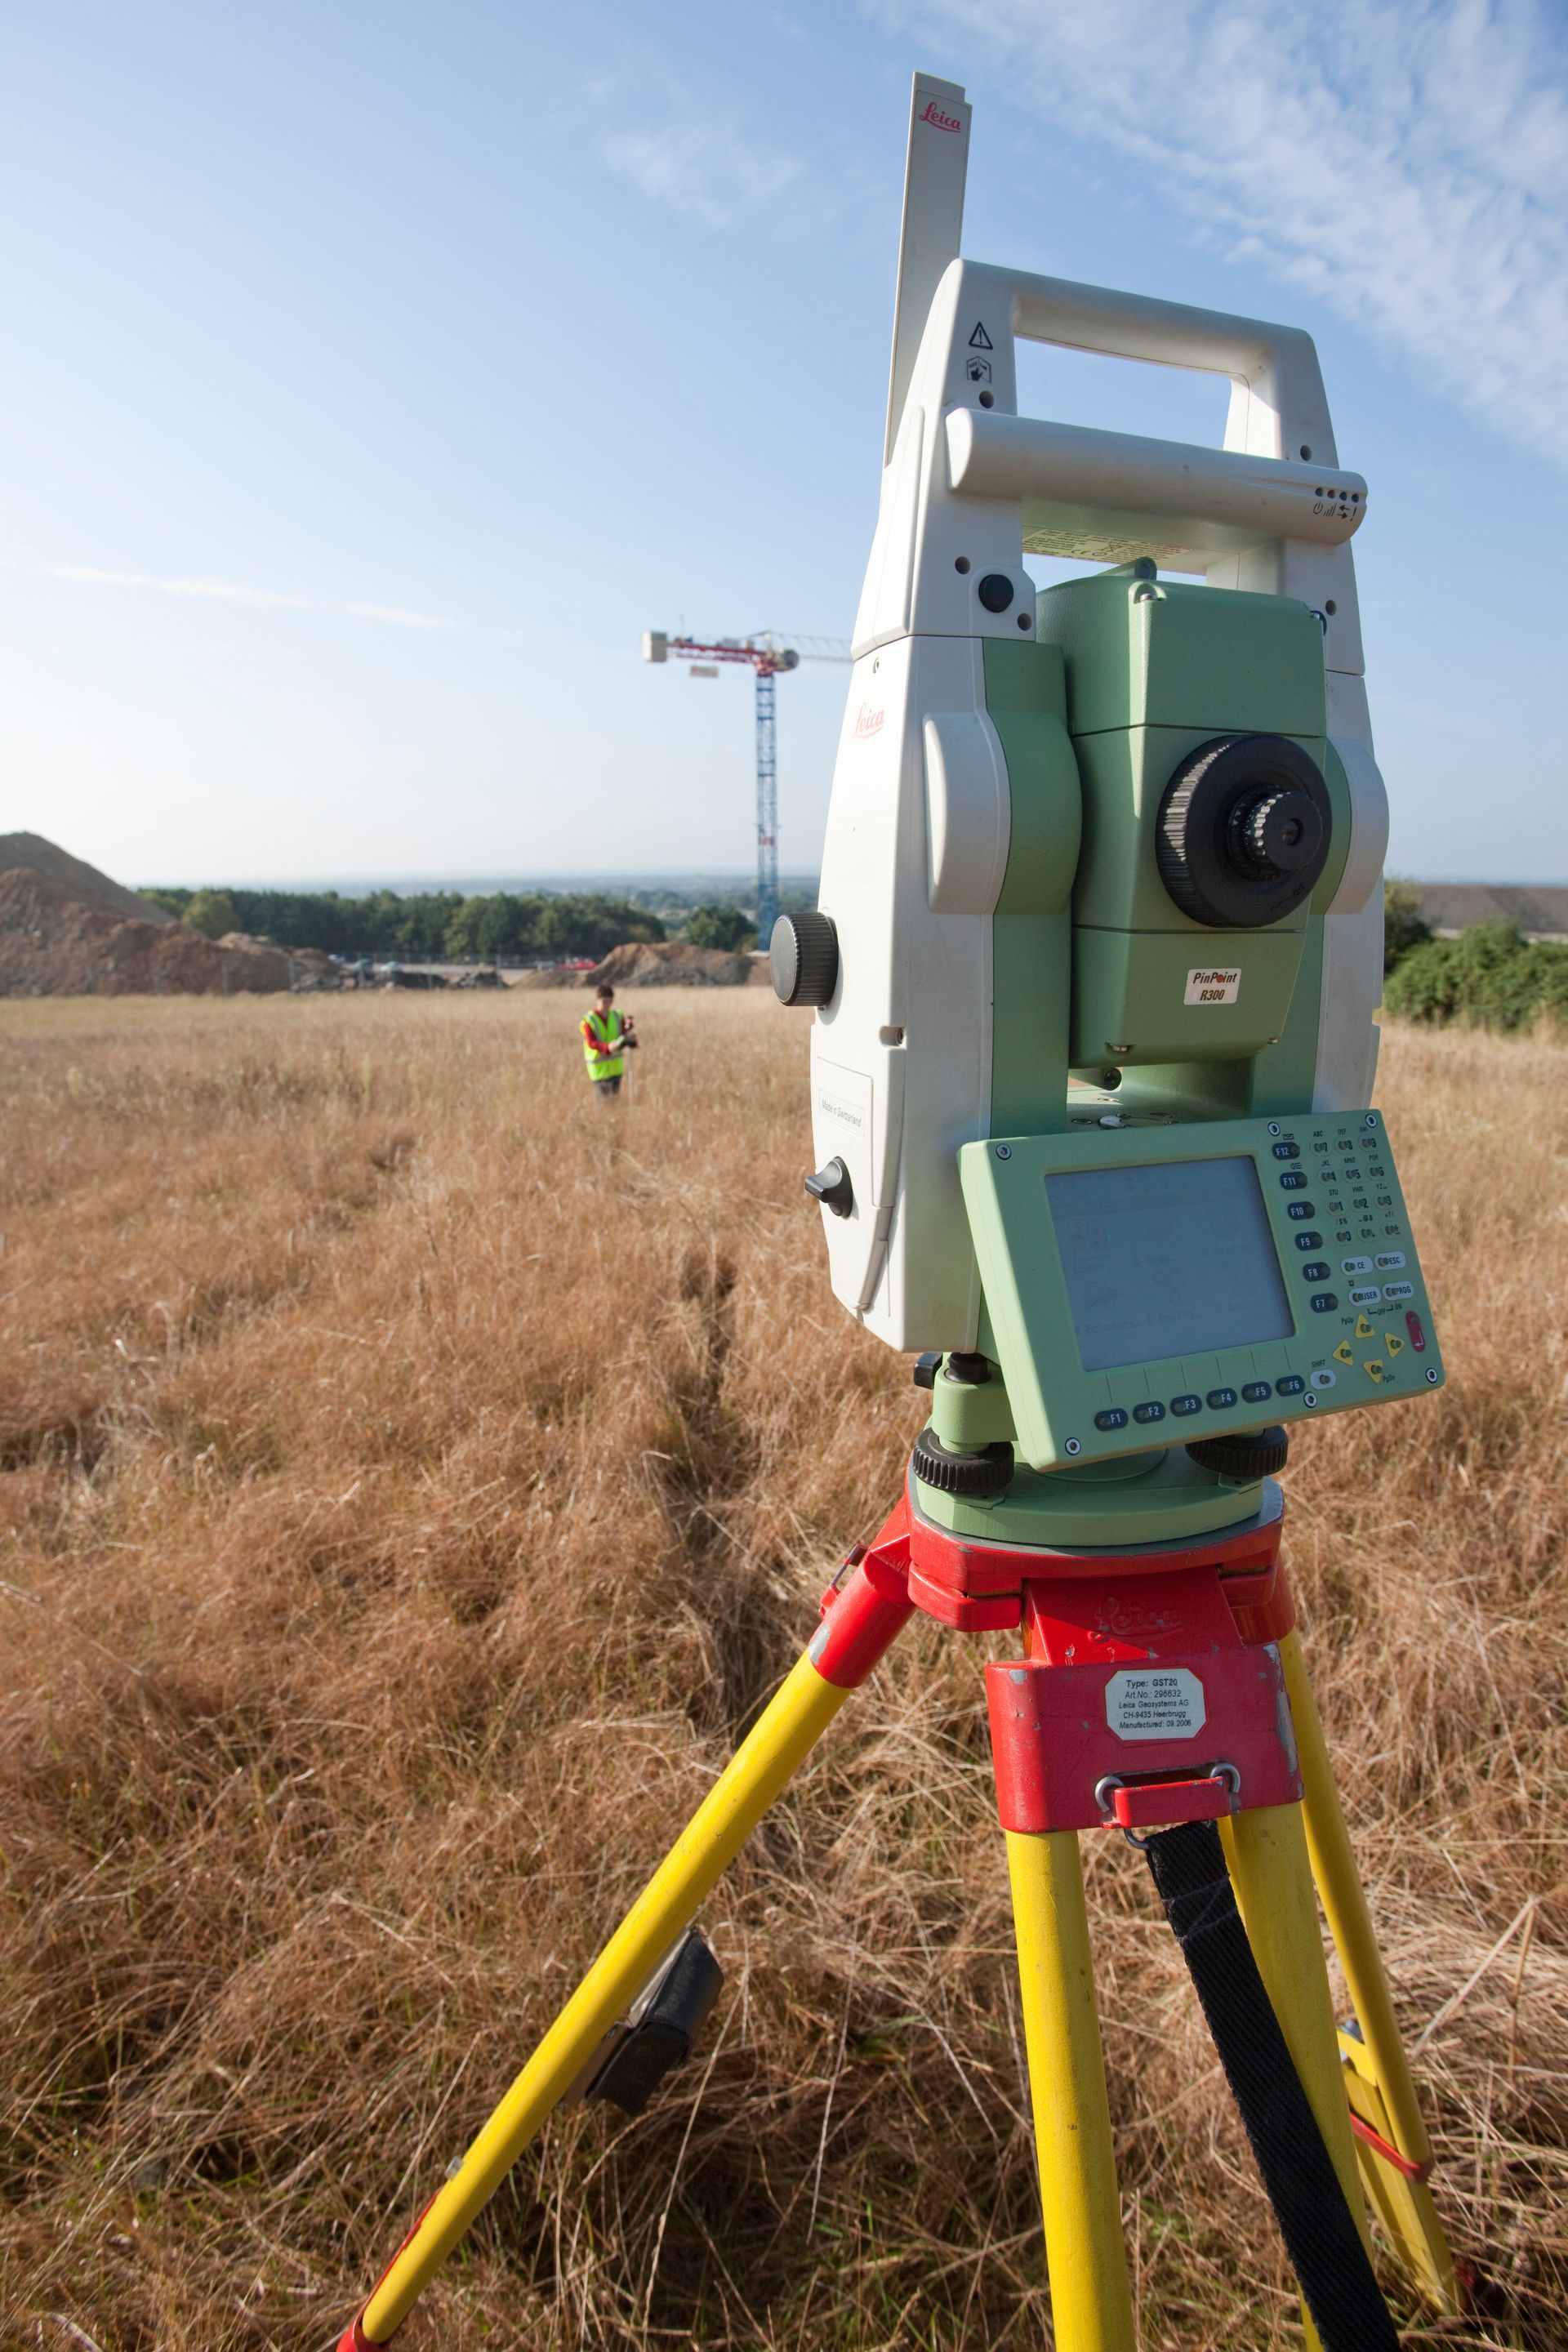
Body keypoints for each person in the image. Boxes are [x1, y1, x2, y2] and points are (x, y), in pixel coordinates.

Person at [580, 983, 636, 1100]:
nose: (607, 1005)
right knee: (604, 1104)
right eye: (604, 1001)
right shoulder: (589, 1020)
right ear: (597, 1000)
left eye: (610, 1001)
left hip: (616, 1068)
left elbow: (623, 1034)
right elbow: (591, 1042)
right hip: (599, 1070)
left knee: (615, 1101)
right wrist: (607, 1048)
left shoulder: (617, 1016)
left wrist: (630, 1038)